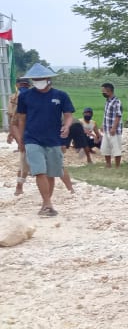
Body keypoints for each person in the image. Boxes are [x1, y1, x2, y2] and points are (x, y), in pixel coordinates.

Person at [13, 63, 74, 216]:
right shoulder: (25, 96)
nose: (38, 81)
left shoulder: (61, 95)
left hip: (54, 139)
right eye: (35, 78)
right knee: (39, 171)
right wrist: (21, 139)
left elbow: (68, 115)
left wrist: (67, 126)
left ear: (48, 79)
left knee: (51, 174)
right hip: (32, 138)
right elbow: (21, 118)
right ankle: (47, 203)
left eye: (41, 78)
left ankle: (46, 204)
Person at [7, 77, 31, 195]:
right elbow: (13, 119)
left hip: (31, 131)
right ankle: (19, 186)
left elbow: (11, 118)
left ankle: (19, 186)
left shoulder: (15, 97)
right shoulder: (14, 98)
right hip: (25, 132)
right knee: (24, 161)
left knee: (25, 161)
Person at [100, 82, 123, 168]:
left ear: (109, 91)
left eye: (103, 91)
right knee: (105, 148)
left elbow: (118, 115)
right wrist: (103, 124)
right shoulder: (107, 101)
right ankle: (108, 164)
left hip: (115, 130)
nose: (102, 93)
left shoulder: (116, 102)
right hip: (106, 129)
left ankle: (117, 166)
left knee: (116, 148)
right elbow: (106, 114)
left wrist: (113, 128)